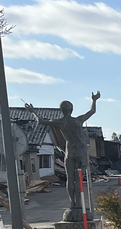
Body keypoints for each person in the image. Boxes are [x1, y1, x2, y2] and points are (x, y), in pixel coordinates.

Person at [25, 92, 100, 221]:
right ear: (72, 109)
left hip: (70, 151)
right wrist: (94, 100)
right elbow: (92, 111)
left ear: (61, 110)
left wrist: (33, 111)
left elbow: (42, 121)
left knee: (70, 179)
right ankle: (80, 204)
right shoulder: (78, 120)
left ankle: (73, 204)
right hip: (81, 152)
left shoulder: (60, 122)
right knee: (79, 179)